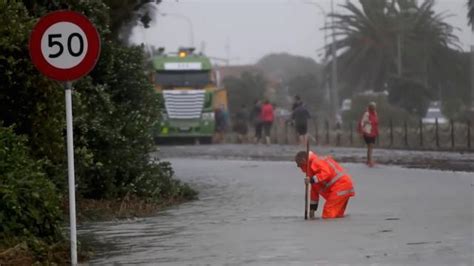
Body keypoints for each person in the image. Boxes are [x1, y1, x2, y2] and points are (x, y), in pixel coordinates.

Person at [294, 150, 355, 219]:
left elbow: (326, 173)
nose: (299, 167)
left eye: (300, 165)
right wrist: (312, 210)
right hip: (344, 186)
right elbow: (314, 192)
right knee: (337, 215)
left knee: (328, 213)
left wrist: (312, 180)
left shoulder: (315, 161)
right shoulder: (312, 171)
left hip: (340, 186)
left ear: (304, 160)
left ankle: (328, 229)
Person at [358, 102, 379, 167]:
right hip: (367, 131)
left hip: (373, 132)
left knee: (370, 147)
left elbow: (376, 122)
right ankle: (370, 161)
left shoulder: (375, 113)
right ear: (370, 107)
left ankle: (368, 160)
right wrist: (362, 130)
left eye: (375, 107)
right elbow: (362, 122)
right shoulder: (367, 113)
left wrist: (377, 130)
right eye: (373, 107)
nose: (374, 108)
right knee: (370, 146)